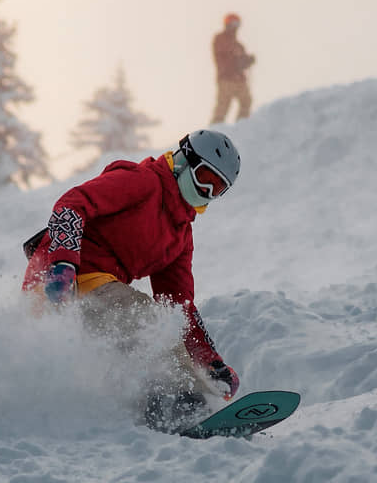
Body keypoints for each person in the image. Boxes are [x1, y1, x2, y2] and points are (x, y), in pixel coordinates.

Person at [22, 129, 241, 431]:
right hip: (61, 278)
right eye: (205, 178)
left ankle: (168, 404)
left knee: (159, 327)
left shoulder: (179, 236)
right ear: (184, 161)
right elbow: (70, 204)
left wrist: (210, 363)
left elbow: (179, 307)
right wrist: (63, 263)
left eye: (217, 189)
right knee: (143, 316)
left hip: (95, 290)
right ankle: (185, 405)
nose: (207, 191)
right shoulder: (142, 182)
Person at [211, 13, 255, 124]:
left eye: (237, 24)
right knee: (222, 106)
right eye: (233, 23)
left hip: (239, 79)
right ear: (227, 24)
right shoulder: (220, 39)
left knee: (246, 101)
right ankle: (215, 129)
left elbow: (241, 61)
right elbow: (224, 56)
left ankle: (241, 125)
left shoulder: (239, 45)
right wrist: (239, 60)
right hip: (226, 78)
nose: (235, 27)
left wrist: (248, 60)